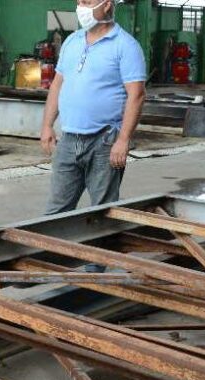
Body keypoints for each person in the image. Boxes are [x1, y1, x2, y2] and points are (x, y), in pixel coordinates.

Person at [41, 0, 146, 218]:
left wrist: (123, 140)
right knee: (56, 212)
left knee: (103, 211)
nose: (80, 6)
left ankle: (103, 251)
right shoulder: (72, 41)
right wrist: (47, 125)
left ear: (106, 5)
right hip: (68, 140)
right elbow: (57, 85)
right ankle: (55, 252)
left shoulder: (126, 46)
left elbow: (136, 95)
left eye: (87, 2)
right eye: (79, 1)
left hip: (105, 141)